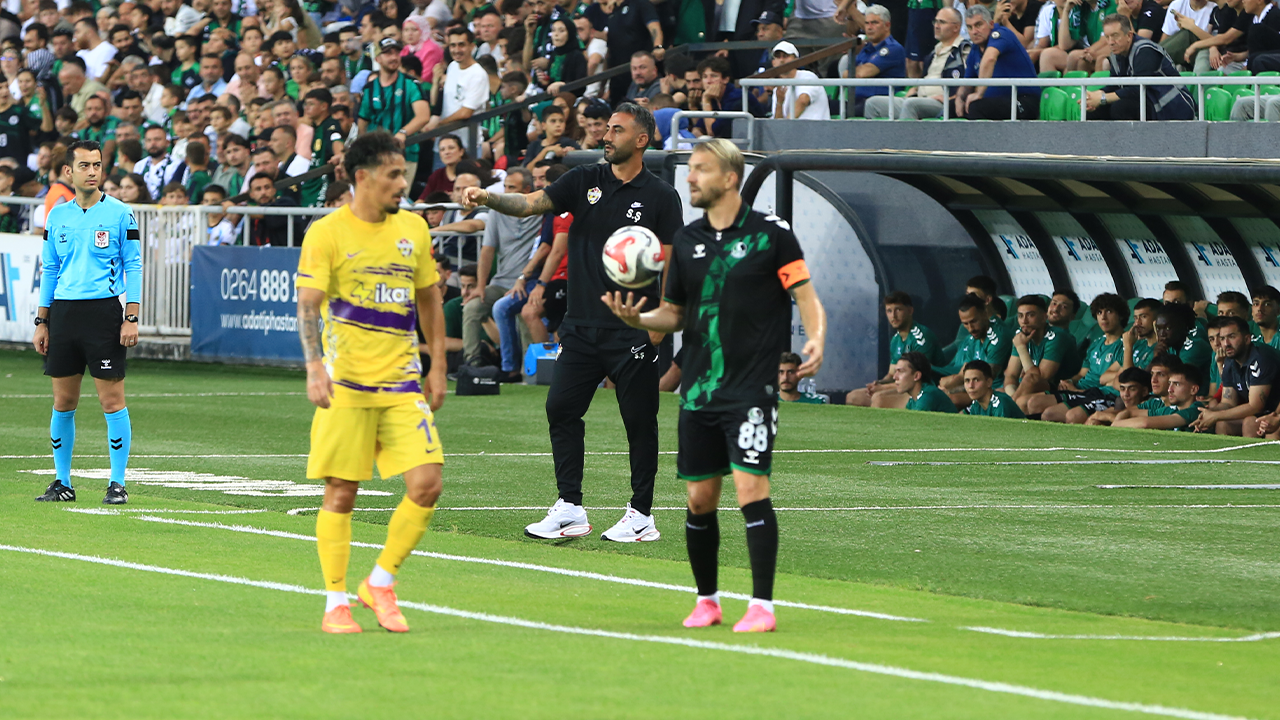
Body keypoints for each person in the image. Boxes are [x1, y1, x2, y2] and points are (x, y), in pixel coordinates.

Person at [602, 137, 826, 633]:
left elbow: (805, 293)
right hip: (698, 390)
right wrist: (636, 319)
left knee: (750, 489)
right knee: (699, 499)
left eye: (700, 169)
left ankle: (762, 606)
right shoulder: (686, 241)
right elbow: (675, 314)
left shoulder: (772, 234)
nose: (690, 177)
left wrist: (817, 338)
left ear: (729, 177)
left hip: (751, 390)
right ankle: (708, 601)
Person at [461, 102, 683, 543]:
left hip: (633, 327)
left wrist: (660, 321)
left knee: (639, 420)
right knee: (560, 407)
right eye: (606, 130)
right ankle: (570, 508)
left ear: (642, 139)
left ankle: (641, 514)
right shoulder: (583, 180)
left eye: (617, 130)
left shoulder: (661, 196)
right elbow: (527, 204)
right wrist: (487, 198)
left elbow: (674, 265)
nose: (606, 136)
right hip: (580, 326)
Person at [295, 131, 447, 635]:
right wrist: (315, 366)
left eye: (403, 174)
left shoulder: (414, 229)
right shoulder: (328, 232)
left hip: (403, 382)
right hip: (348, 386)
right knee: (342, 492)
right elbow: (309, 305)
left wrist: (438, 366)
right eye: (393, 176)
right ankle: (335, 601)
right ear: (362, 178)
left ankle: (380, 582)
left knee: (427, 484)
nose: (402, 184)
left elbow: (428, 297)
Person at [32, 140, 141, 506]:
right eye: (84, 165)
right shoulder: (57, 216)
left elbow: (134, 266)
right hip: (63, 314)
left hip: (104, 315)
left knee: (112, 401)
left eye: (97, 165)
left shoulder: (121, 213)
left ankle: (117, 483)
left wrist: (131, 317)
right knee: (63, 402)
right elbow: (50, 269)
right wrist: (42, 321)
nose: (92, 171)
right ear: (69, 172)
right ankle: (62, 482)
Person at [465, 167, 542, 373]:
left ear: (527, 190)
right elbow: (487, 251)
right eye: (505, 187)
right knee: (472, 307)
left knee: (522, 314)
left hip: (527, 282)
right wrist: (481, 286)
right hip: (500, 282)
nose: (506, 192)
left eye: (512, 187)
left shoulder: (541, 212)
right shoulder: (497, 211)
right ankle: (473, 365)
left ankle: (528, 371)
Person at [1034, 293, 1129, 423]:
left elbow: (1110, 381)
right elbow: (1082, 374)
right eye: (1100, 313)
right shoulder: (1096, 343)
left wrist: (1078, 390)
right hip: (1080, 390)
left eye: (1109, 312)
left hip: (1097, 394)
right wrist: (1069, 382)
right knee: (1034, 402)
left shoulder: (1126, 345)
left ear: (1121, 315)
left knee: (1050, 414)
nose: (1103, 317)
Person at [865, 7, 969, 120]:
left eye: (942, 22)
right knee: (873, 103)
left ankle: (904, 138)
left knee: (911, 105)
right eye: (936, 22)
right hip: (919, 98)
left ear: (956, 27)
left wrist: (951, 98)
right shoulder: (934, 51)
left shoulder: (963, 50)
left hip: (941, 103)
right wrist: (916, 88)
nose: (937, 26)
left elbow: (970, 83)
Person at [1087, 14, 1196, 119]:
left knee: (1121, 108)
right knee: (1095, 111)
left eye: (1115, 36)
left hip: (1173, 108)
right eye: (1107, 37)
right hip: (1150, 104)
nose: (1110, 42)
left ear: (1129, 35)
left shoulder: (1145, 50)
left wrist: (1102, 98)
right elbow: (1115, 85)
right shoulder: (1117, 54)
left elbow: (1137, 88)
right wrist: (1094, 96)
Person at [848, 291, 940, 408]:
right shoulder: (895, 340)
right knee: (853, 397)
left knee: (878, 399)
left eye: (898, 310)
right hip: (902, 386)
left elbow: (915, 380)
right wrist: (878, 384)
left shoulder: (921, 337)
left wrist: (882, 388)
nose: (893, 316)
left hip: (924, 391)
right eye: (889, 311)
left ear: (910, 311)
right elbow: (891, 374)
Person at [358, 38, 430, 184]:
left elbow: (423, 116)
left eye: (396, 53)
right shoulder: (369, 88)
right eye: (388, 53)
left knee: (397, 197)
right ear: (377, 58)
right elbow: (363, 121)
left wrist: (403, 133)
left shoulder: (410, 84)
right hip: (376, 155)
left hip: (404, 154)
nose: (393, 57)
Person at [1192, 316, 1279, 435]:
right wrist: (1208, 414)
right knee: (1222, 423)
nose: (1226, 344)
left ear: (1247, 339)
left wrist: (1216, 415)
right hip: (1264, 413)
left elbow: (1255, 406)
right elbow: (1228, 402)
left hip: (1274, 413)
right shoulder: (1230, 361)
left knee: (1250, 423)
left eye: (1232, 337)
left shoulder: (1261, 358)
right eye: (1222, 338)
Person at [959, 4, 1041, 120]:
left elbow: (989, 59)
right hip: (998, 102)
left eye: (978, 25)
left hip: (1024, 100)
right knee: (953, 108)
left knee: (977, 107)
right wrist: (959, 99)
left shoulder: (1002, 34)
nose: (974, 31)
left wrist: (979, 94)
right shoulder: (975, 49)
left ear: (991, 24)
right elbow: (967, 82)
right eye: (970, 27)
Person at [1006, 294, 1081, 413]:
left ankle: (1008, 412)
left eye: (1030, 315)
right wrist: (1012, 393)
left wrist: (1021, 348)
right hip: (1026, 388)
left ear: (1044, 317)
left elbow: (1038, 378)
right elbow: (1011, 374)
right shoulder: (1021, 334)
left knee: (1029, 379)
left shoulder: (1057, 337)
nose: (1024, 321)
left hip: (1057, 388)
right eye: (1020, 316)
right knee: (995, 393)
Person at [936, 293, 1014, 406]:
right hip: (975, 388)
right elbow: (963, 374)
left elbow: (985, 380)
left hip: (994, 389)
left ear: (985, 313)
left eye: (973, 321)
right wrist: (942, 388)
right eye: (965, 324)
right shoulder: (973, 339)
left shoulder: (999, 337)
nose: (970, 329)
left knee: (951, 399)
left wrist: (950, 391)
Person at [431, 26, 487, 153]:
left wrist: (439, 125)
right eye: (453, 45)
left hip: (466, 145)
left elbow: (466, 112)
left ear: (472, 46)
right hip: (443, 143)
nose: (457, 50)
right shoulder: (452, 66)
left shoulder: (478, 74)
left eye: (461, 45)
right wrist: (435, 82)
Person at [848, 5, 907, 117]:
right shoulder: (866, 49)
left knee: (846, 112)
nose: (869, 27)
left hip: (879, 103)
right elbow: (846, 74)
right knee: (827, 105)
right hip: (856, 101)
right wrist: (857, 72)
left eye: (874, 23)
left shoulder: (893, 48)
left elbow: (862, 73)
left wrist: (858, 71)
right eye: (867, 23)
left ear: (887, 25)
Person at [1116, 366, 1204, 430]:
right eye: (1170, 384)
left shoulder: (1196, 410)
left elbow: (1144, 423)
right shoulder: (1169, 410)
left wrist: (1116, 424)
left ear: (1193, 390)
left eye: (1177, 384)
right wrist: (1118, 419)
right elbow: (1130, 412)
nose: (1170, 390)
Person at [300, 88, 344, 207]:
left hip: (323, 182)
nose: (307, 108)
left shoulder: (330, 124)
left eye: (311, 104)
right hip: (311, 181)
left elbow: (336, 139)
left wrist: (339, 155)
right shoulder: (313, 128)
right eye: (306, 104)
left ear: (324, 106)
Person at [767, 41, 830, 120]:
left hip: (816, 130)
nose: (781, 60)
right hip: (794, 131)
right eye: (778, 57)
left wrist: (786, 126)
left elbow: (803, 100)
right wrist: (779, 103)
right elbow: (778, 122)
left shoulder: (808, 76)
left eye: (786, 56)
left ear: (796, 60)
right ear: (773, 63)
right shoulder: (778, 89)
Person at [1087, 366, 1152, 425]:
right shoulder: (1120, 402)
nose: (1126, 394)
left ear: (1144, 391)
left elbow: (1138, 424)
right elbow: (1097, 416)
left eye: (1132, 389)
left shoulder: (1153, 404)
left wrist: (1110, 417)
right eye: (1122, 389)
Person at [1123, 297, 1162, 370]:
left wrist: (1128, 347)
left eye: (1144, 317)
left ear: (1157, 319)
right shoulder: (1138, 344)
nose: (1137, 323)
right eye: (1135, 318)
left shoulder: (1161, 348)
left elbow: (1127, 378)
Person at [1251, 285, 1280, 350]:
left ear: (1278, 310)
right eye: (1256, 304)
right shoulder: (1255, 343)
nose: (1260, 309)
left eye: (1267, 304)